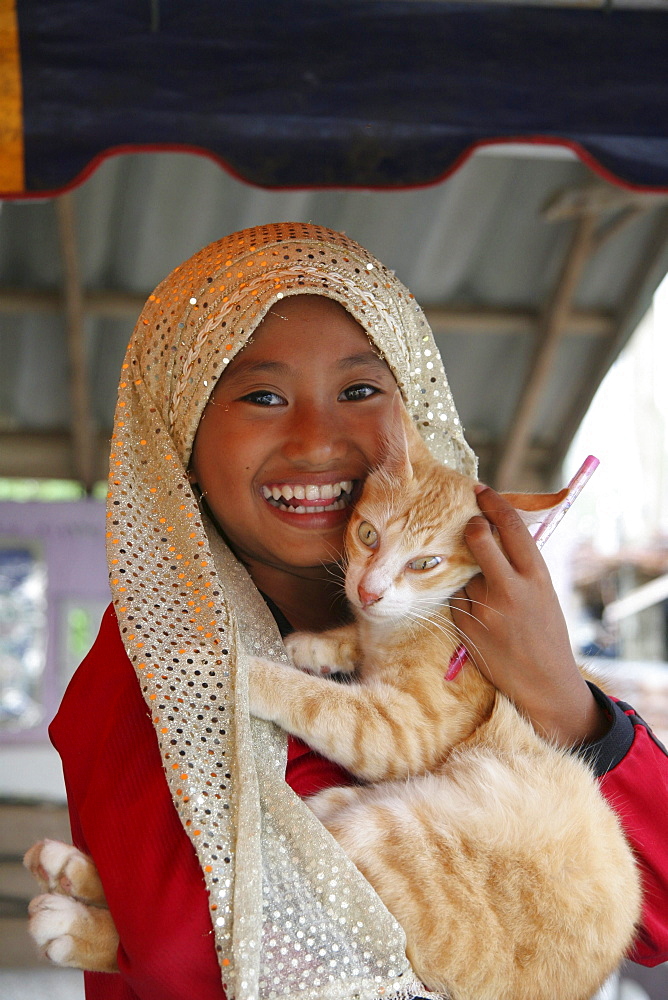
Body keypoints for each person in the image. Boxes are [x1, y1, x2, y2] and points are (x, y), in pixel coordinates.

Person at [49, 223, 668, 1000]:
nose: (316, 442)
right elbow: (186, 954)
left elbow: (650, 914)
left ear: (415, 409)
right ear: (181, 432)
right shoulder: (156, 668)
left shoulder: (484, 617)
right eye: (263, 396)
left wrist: (562, 697)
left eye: (361, 390)